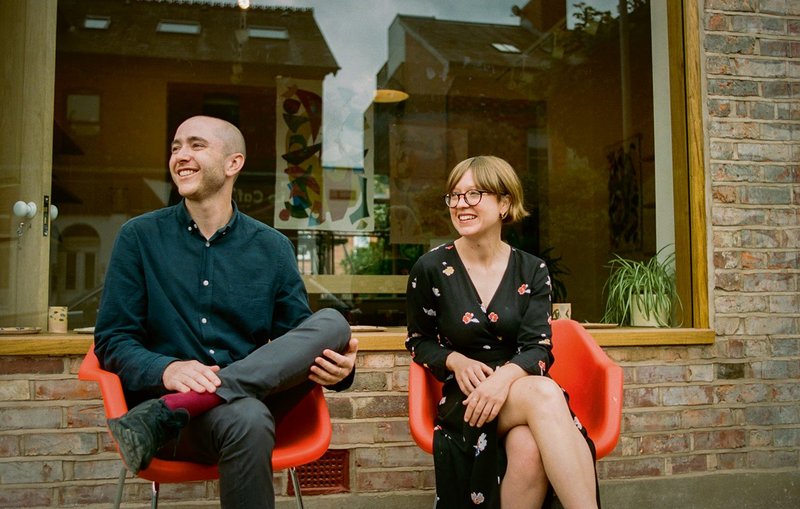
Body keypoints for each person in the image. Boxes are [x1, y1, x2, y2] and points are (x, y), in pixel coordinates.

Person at [94, 115, 358, 509]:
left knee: (333, 324)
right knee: (248, 417)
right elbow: (113, 341)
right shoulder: (139, 238)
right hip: (174, 423)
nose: (181, 156)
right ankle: (181, 407)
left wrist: (341, 371)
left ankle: (193, 403)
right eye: (176, 147)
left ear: (233, 163)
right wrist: (168, 369)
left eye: (196, 145)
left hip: (226, 408)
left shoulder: (271, 248)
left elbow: (298, 339)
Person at [405, 155, 599, 508]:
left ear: (504, 203)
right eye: (454, 195)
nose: (461, 204)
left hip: (520, 391)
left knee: (528, 447)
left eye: (474, 194)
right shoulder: (430, 268)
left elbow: (539, 347)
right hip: (468, 400)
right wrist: (455, 361)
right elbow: (418, 342)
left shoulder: (533, 270)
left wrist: (503, 379)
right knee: (544, 393)